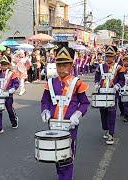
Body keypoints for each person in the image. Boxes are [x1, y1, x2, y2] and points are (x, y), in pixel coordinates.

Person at [40, 46, 89, 180]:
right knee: (56, 153)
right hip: (53, 125)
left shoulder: (77, 83)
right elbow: (45, 101)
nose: (61, 69)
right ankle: (62, 175)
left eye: (65, 65)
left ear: (71, 65)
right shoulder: (50, 83)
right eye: (59, 65)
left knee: (66, 154)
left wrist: (77, 114)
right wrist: (45, 110)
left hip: (70, 125)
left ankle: (66, 177)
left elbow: (85, 103)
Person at [94, 45, 121, 145]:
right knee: (103, 113)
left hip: (113, 94)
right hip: (101, 93)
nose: (109, 58)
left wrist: (118, 85)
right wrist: (97, 84)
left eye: (111, 56)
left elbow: (122, 79)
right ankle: (106, 129)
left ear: (114, 57)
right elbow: (97, 77)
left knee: (112, 113)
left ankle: (111, 134)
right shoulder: (100, 66)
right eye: (107, 56)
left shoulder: (119, 67)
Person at [0, 56, 20, 135]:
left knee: (9, 109)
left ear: (8, 65)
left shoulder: (12, 73)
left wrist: (11, 90)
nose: (3, 66)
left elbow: (16, 83)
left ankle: (14, 120)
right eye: (2, 64)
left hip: (8, 95)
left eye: (5, 64)